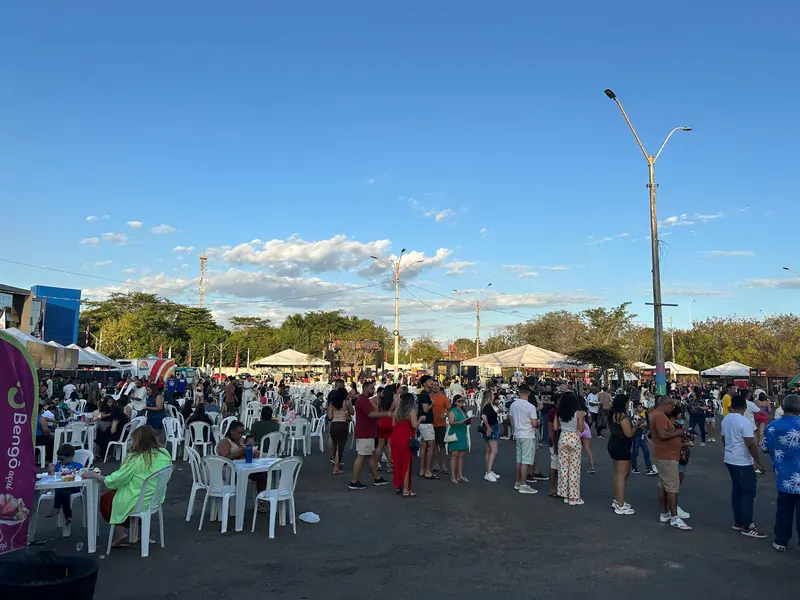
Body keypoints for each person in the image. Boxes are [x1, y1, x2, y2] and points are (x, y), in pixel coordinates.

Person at [83, 426, 172, 547]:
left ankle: (120, 532)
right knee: (135, 493)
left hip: (136, 499)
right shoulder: (164, 454)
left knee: (107, 499)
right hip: (155, 497)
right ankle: (140, 534)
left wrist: (97, 476)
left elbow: (117, 479)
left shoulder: (136, 458)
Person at [721, 394, 767, 538]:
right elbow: (750, 444)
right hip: (742, 461)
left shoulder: (726, 419)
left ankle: (738, 521)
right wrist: (758, 461)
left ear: (731, 406)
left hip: (729, 459)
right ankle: (747, 525)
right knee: (748, 493)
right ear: (745, 406)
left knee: (737, 490)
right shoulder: (744, 422)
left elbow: (723, 438)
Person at [760, 394, 800, 552]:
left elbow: (764, 448)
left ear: (782, 407)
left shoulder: (773, 426)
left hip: (784, 478)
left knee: (784, 511)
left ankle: (781, 541)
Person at [650, 396, 691, 530]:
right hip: (667, 455)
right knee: (672, 486)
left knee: (663, 484)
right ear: (666, 404)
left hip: (664, 454)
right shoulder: (660, 416)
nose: (672, 409)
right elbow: (663, 435)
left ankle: (665, 513)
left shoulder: (656, 415)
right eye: (671, 406)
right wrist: (679, 432)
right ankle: (674, 517)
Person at [349, 381, 392, 490]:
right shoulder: (363, 400)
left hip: (366, 432)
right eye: (372, 389)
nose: (374, 391)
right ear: (365, 388)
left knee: (370, 456)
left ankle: (377, 478)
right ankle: (354, 481)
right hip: (365, 433)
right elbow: (371, 414)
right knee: (361, 456)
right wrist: (388, 414)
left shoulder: (364, 400)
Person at [608, 394, 644, 515]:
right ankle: (620, 504)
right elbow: (629, 433)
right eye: (627, 402)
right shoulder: (622, 416)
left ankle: (618, 499)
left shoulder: (613, 414)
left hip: (614, 443)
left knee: (618, 474)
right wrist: (637, 426)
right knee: (623, 475)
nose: (629, 404)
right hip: (622, 445)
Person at [554, 391, 585, 505]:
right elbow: (581, 429)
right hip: (574, 439)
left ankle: (564, 494)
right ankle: (574, 496)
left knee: (563, 467)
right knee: (574, 468)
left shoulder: (559, 413)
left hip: (563, 438)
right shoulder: (578, 414)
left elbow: (555, 427)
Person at [509, 384, 539, 495]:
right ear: (529, 393)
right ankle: (523, 484)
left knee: (519, 459)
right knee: (526, 460)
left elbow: (511, 417)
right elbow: (534, 423)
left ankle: (518, 481)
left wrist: (515, 428)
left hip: (518, 433)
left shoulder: (513, 404)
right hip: (527, 434)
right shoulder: (530, 407)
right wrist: (538, 422)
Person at [391, 392, 421, 497]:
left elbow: (393, 425)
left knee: (397, 462)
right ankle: (406, 489)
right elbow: (414, 425)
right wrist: (420, 419)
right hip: (405, 438)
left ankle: (399, 485)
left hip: (395, 437)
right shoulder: (411, 411)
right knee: (406, 463)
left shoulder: (396, 411)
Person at [46, 443, 84, 525]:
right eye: (58, 459)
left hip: (74, 486)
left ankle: (57, 507)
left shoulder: (77, 466)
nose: (60, 461)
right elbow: (52, 475)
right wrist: (51, 469)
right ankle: (68, 516)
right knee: (63, 491)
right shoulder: (58, 465)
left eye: (62, 459)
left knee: (62, 490)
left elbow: (80, 476)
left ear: (70, 457)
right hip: (61, 486)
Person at [416, 376, 438, 479]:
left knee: (424, 445)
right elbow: (425, 409)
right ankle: (428, 470)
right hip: (426, 423)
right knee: (431, 445)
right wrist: (432, 404)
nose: (432, 383)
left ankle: (422, 469)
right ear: (424, 383)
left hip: (424, 423)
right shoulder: (424, 395)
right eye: (429, 381)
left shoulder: (424, 394)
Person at [327, 387, 353, 474]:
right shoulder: (346, 402)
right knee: (340, 448)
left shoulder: (332, 404)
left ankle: (335, 461)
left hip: (334, 425)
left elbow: (330, 417)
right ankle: (336, 468)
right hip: (343, 424)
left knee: (335, 445)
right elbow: (352, 412)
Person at [447, 395, 470, 484]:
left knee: (461, 456)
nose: (461, 403)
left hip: (462, 433)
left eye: (462, 401)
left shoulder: (463, 410)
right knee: (454, 456)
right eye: (459, 401)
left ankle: (460, 475)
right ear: (455, 402)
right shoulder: (453, 411)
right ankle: (453, 476)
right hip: (455, 434)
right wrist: (459, 422)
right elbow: (451, 422)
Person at [479, 390, 501, 482]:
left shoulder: (488, 406)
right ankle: (488, 472)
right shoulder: (487, 406)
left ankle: (489, 470)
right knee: (494, 451)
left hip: (491, 427)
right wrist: (488, 427)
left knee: (489, 450)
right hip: (492, 428)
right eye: (492, 394)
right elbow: (484, 416)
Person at [630, 403, 657, 476]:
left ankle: (649, 468)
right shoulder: (632, 418)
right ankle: (634, 467)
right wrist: (640, 425)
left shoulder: (642, 417)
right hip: (636, 437)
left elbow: (644, 427)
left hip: (642, 436)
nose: (641, 408)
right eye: (640, 407)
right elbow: (637, 426)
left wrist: (647, 438)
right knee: (635, 452)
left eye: (642, 407)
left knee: (646, 451)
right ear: (635, 409)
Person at [376, 385, 397, 474]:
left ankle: (376, 463)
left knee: (380, 445)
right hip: (390, 422)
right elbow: (396, 411)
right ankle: (389, 466)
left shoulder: (380, 401)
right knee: (389, 445)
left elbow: (377, 411)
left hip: (382, 422)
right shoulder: (393, 401)